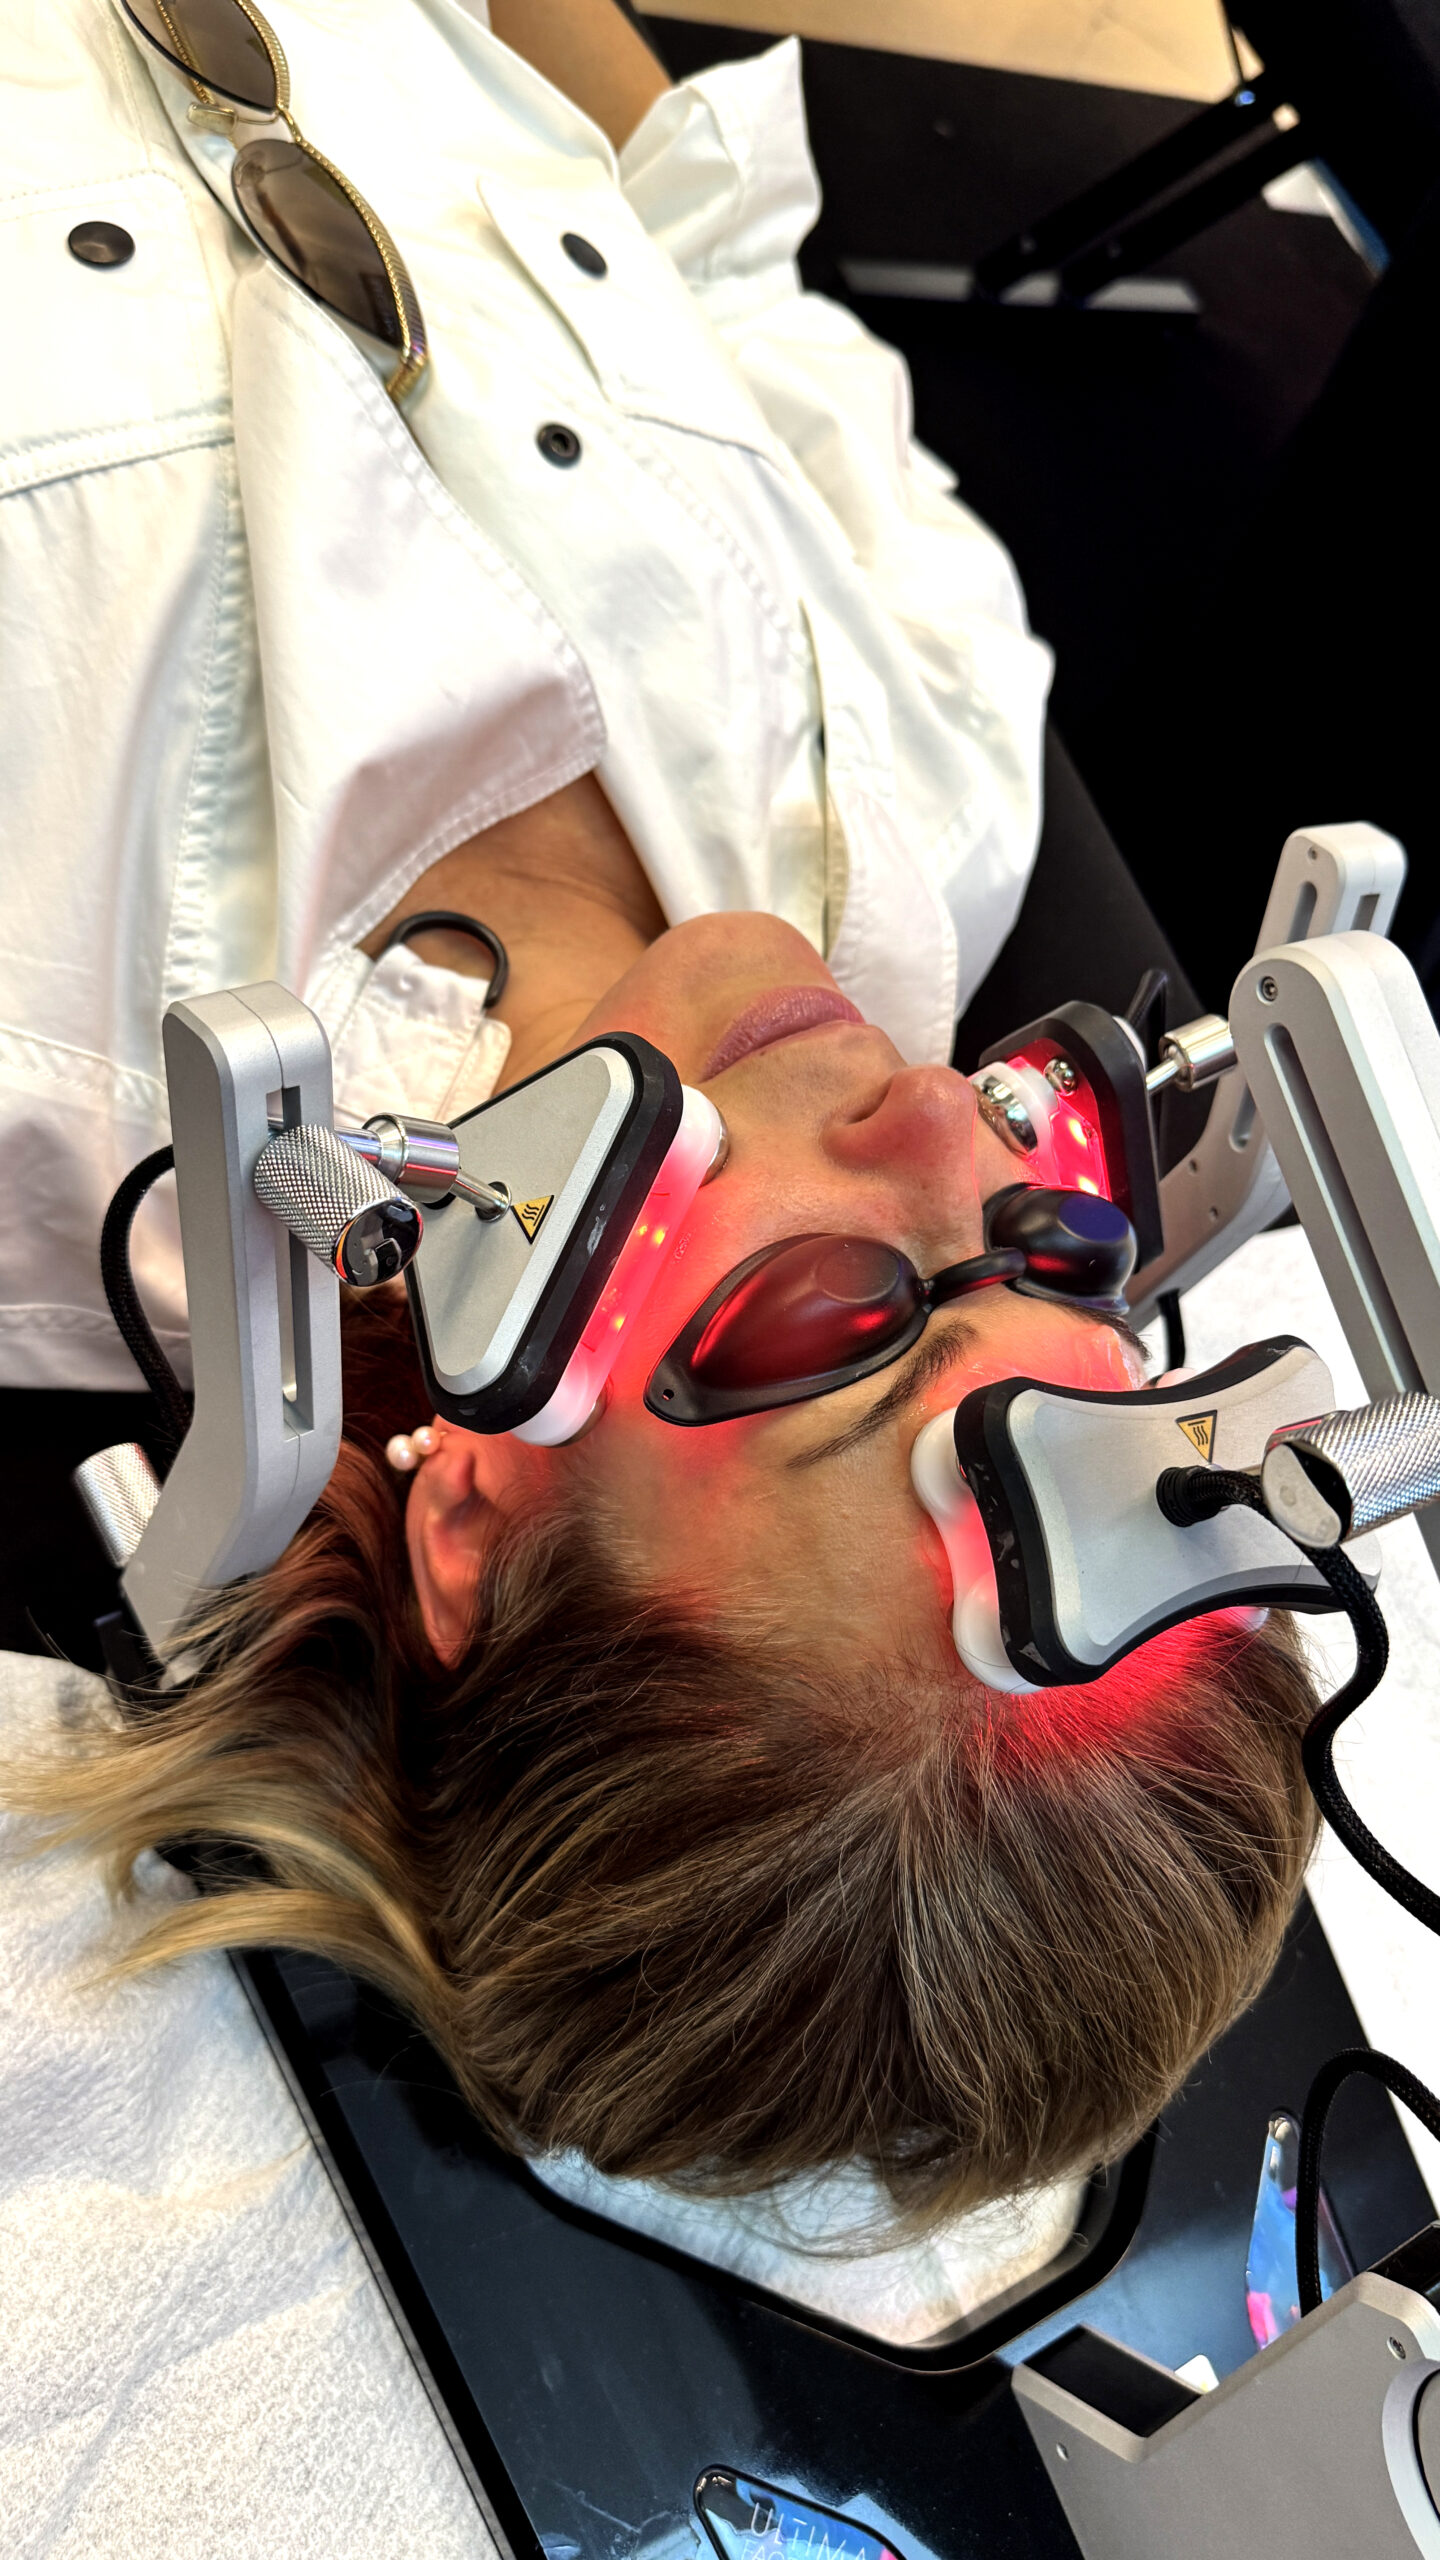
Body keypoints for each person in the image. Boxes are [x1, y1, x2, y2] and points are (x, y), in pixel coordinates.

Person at [1, 0, 1319, 2225]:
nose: (940, 1120)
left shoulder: (43, 1035)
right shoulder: (936, 804)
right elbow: (695, 223)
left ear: (474, 1530)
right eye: (1052, 1247)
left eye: (845, 1317)